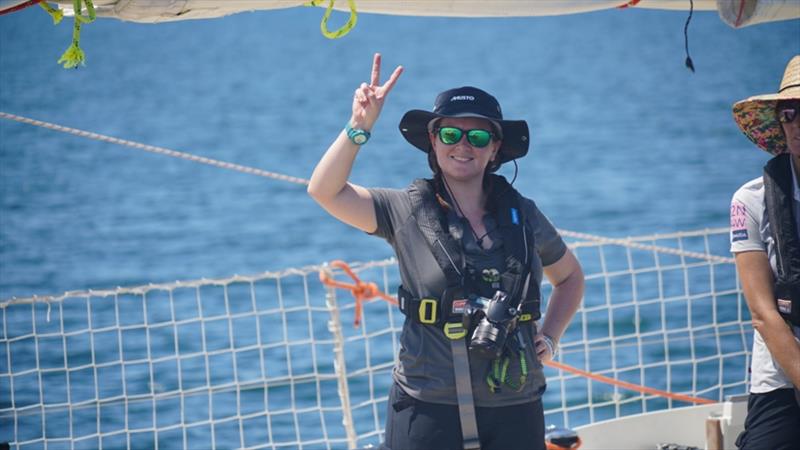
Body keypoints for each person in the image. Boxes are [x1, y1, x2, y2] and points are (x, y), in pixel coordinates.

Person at [308, 53, 584, 450]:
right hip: (427, 404)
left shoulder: (523, 215)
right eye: (451, 135)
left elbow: (571, 277)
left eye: (478, 137)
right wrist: (359, 127)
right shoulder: (402, 210)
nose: (463, 146)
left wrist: (552, 337)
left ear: (495, 149)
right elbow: (324, 191)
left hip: (515, 400)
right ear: (433, 142)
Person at [730, 54, 800, 450]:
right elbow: (762, 314)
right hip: (780, 373)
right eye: (788, 112)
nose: (797, 122)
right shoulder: (749, 200)